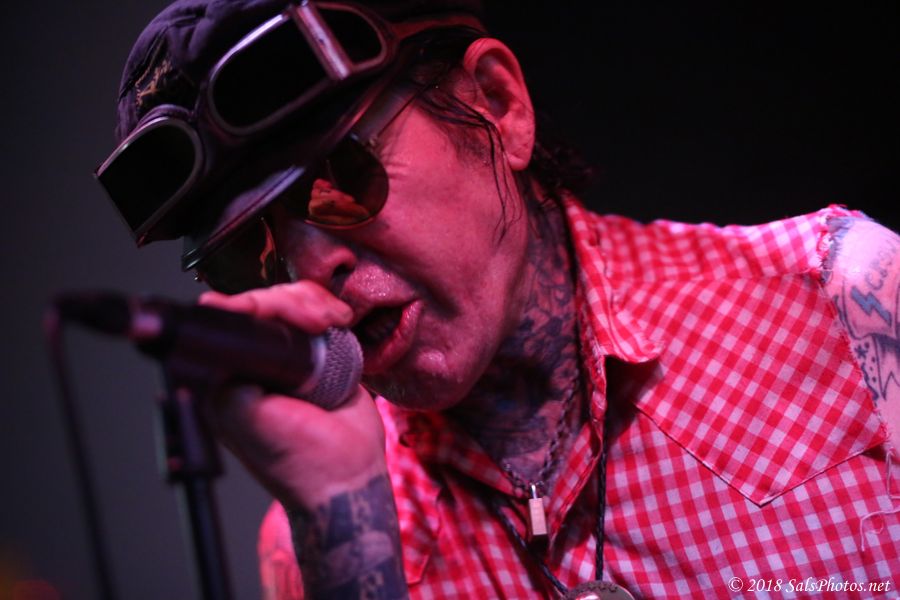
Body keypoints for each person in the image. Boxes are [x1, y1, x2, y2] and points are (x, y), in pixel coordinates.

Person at [97, 0, 900, 597]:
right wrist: (339, 517)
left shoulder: (848, 299)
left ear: (496, 103)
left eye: (339, 178)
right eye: (247, 253)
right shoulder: (320, 536)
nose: (310, 267)